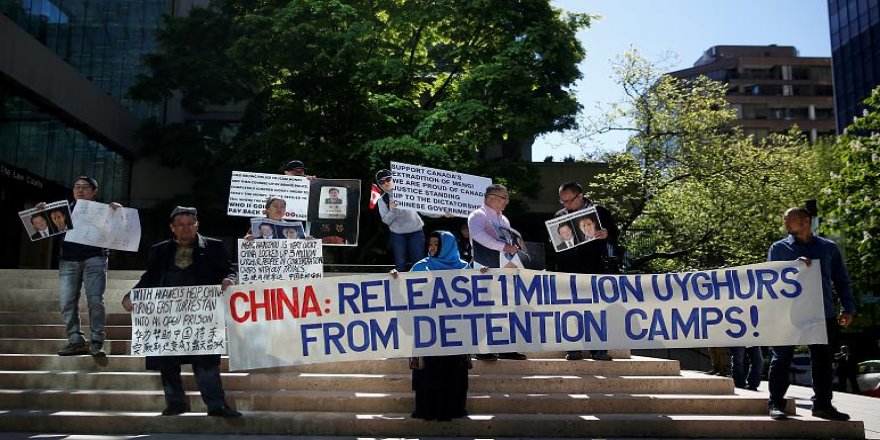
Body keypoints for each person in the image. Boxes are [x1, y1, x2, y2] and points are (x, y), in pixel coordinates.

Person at [122, 206, 242, 417]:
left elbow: (229, 271)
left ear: (197, 225)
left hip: (202, 315)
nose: (185, 228)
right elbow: (149, 277)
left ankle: (216, 405)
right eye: (180, 225)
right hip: (167, 315)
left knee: (206, 361)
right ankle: (175, 402)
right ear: (172, 227)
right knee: (167, 360)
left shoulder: (214, 246)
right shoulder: (159, 250)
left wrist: (229, 280)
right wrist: (131, 295)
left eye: (190, 224)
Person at [766, 207, 855, 421]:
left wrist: (848, 308)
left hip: (821, 312)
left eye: (790, 219)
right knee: (781, 358)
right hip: (788, 314)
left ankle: (823, 406)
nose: (786, 223)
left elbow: (841, 280)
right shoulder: (779, 248)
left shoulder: (828, 248)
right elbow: (769, 278)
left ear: (806, 221)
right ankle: (776, 403)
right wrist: (792, 268)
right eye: (785, 220)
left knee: (822, 361)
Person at [392, 231, 471, 421]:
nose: (432, 247)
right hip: (428, 331)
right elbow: (408, 294)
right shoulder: (420, 267)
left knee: (454, 371)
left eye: (437, 244)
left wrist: (484, 276)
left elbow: (476, 296)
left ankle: (453, 409)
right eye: (430, 244)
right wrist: (396, 281)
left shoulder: (465, 268)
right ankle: (427, 410)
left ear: (447, 246)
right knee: (429, 372)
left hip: (455, 331)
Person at [40, 175, 121, 357]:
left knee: (95, 300)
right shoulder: (64, 209)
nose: (80, 190)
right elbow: (46, 227)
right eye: (77, 186)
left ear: (94, 192)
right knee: (66, 301)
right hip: (68, 260)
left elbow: (119, 229)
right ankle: (75, 340)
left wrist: (117, 212)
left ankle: (97, 340)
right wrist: (42, 212)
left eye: (85, 187)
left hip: (95, 258)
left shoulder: (104, 210)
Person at [554, 182, 617, 361]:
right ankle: (574, 348)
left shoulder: (600, 212)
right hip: (569, 271)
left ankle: (599, 349)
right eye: (562, 201)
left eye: (569, 200)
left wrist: (607, 234)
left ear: (580, 196)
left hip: (594, 268)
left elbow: (615, 234)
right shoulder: (559, 215)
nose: (566, 205)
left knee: (597, 309)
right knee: (572, 309)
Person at [468, 184, 527, 361]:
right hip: (483, 268)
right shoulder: (477, 215)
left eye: (507, 198)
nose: (507, 202)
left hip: (504, 268)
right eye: (504, 198)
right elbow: (479, 236)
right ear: (490, 197)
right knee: (484, 308)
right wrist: (503, 246)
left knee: (506, 308)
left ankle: (505, 347)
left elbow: (508, 243)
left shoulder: (504, 219)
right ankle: (482, 348)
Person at [374, 169, 428, 271]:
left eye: (388, 179)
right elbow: (386, 221)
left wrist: (442, 212)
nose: (386, 183)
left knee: (419, 262)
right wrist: (393, 211)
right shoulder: (382, 200)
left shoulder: (409, 192)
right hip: (398, 234)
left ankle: (419, 281)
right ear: (379, 185)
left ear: (393, 179)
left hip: (416, 231)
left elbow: (424, 209)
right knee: (400, 264)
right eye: (382, 182)